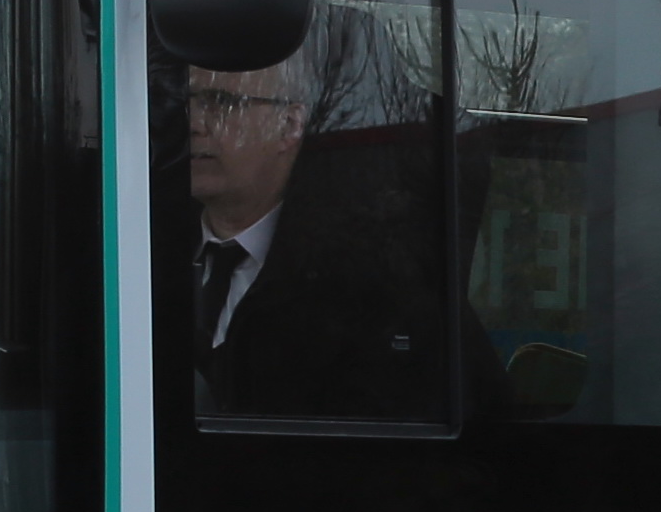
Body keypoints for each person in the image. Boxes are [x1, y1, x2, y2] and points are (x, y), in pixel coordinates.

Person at [183, 56, 478, 425]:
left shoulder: (370, 280)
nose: (193, 123)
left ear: (289, 125)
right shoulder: (132, 252)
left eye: (223, 103)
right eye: (186, 100)